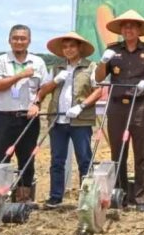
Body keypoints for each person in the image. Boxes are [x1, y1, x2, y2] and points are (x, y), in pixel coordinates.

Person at [94, 9, 144, 212]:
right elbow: (98, 78)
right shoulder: (112, 50)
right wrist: (103, 62)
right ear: (120, 30)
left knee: (142, 153)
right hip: (117, 106)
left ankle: (141, 199)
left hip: (140, 105)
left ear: (139, 30)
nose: (128, 29)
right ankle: (119, 195)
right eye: (124, 26)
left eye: (132, 26)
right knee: (118, 152)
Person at [31, 32, 102, 209]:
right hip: (57, 119)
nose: (68, 50)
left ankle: (87, 197)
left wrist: (82, 106)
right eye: (65, 47)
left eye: (72, 46)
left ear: (79, 48)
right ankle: (55, 197)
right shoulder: (57, 68)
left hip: (80, 120)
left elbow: (98, 90)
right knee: (57, 160)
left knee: (84, 159)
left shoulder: (90, 66)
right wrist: (55, 80)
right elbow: (43, 91)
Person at [0, 25, 48, 204]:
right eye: (15, 38)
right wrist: (20, 75)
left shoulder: (38, 62)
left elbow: (44, 87)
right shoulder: (0, 60)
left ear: (29, 41)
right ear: (9, 40)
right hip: (4, 117)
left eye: (23, 38)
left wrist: (37, 103)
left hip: (28, 119)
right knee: (1, 158)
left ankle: (23, 199)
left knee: (27, 158)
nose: (19, 41)